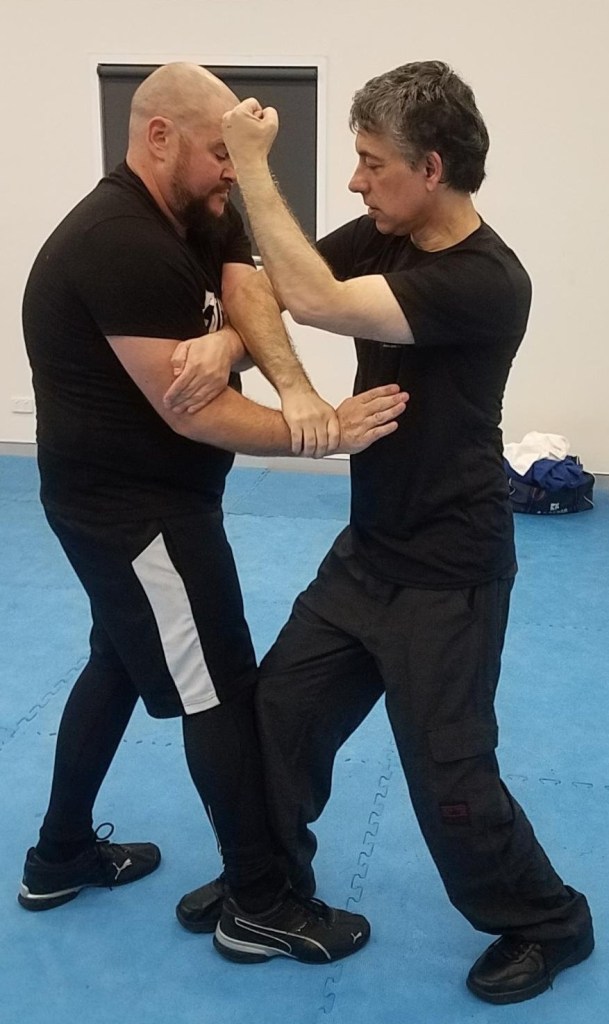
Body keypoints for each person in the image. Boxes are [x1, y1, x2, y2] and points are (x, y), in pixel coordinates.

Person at [173, 61, 594, 1002]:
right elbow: (270, 285)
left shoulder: (487, 281)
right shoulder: (385, 234)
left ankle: (548, 922)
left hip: (450, 571)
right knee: (278, 719)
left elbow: (315, 297)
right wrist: (226, 342)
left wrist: (251, 164)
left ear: (430, 168)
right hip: (366, 554)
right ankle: (269, 890)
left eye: (371, 162)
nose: (355, 181)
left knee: (449, 777)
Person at [19, 61, 410, 966]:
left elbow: (247, 285)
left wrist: (233, 338)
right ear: (159, 137)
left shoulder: (196, 210)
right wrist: (319, 430)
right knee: (219, 687)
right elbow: (191, 412)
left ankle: (59, 853)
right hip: (132, 513)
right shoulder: (118, 241)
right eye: (218, 153)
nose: (232, 172)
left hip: (156, 496)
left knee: (117, 663)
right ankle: (260, 902)